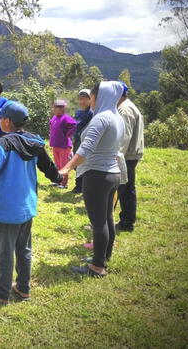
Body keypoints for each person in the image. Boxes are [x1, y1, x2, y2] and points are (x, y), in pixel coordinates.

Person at [0, 102, 63, 304]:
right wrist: (58, 178)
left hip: (7, 209)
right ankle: (23, 289)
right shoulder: (35, 142)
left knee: (4, 252)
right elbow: (48, 167)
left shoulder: (2, 144)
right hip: (27, 207)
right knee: (24, 249)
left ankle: (2, 293)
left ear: (6, 121)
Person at [58, 81, 125, 277]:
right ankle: (103, 257)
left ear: (99, 96)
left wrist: (67, 168)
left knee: (98, 223)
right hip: (112, 174)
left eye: (93, 96)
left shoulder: (101, 119)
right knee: (107, 219)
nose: (91, 100)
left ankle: (97, 268)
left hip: (97, 174)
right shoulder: (117, 117)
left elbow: (85, 150)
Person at [116, 83, 144, 232]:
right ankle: (126, 220)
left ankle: (126, 223)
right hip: (130, 154)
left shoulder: (124, 110)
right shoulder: (127, 106)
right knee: (127, 189)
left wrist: (115, 157)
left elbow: (124, 137)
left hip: (126, 155)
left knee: (122, 189)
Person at [49, 99, 77, 188]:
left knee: (63, 165)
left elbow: (74, 125)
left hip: (64, 146)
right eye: (56, 107)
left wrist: (67, 134)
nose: (57, 109)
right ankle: (58, 181)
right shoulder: (54, 117)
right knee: (57, 165)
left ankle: (64, 184)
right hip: (56, 145)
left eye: (61, 107)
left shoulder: (66, 117)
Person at [72, 89, 94, 194]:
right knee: (77, 164)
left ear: (91, 100)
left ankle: (80, 186)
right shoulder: (78, 112)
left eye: (85, 99)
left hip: (86, 142)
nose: (82, 101)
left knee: (84, 163)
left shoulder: (92, 113)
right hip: (77, 141)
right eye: (80, 99)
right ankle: (80, 185)